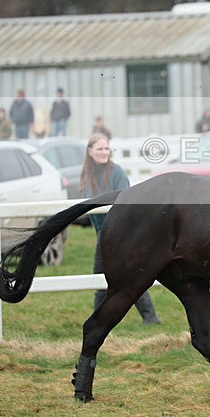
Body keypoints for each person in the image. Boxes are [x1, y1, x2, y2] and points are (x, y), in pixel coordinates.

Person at [80, 133, 160, 325]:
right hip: (103, 233)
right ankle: (147, 317)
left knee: (124, 276)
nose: (104, 152)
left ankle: (148, 317)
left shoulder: (116, 172)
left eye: (106, 148)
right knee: (111, 277)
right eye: (99, 148)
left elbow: (124, 203)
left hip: (122, 232)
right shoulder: (87, 175)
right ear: (90, 152)